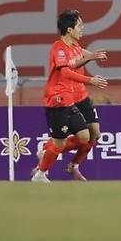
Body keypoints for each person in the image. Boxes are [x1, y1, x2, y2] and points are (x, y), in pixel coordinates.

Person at [31, 9, 108, 183]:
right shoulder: (59, 49)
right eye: (80, 25)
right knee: (60, 141)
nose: (83, 28)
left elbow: (80, 55)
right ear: (70, 29)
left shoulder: (74, 46)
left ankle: (64, 162)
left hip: (71, 98)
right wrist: (90, 79)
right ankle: (42, 168)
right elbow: (65, 71)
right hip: (57, 100)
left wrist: (93, 56)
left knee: (88, 136)